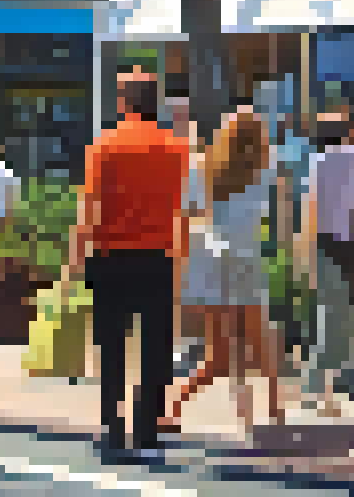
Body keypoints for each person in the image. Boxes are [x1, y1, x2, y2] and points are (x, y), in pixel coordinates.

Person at [70, 67, 191, 459]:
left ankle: (113, 426)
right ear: (157, 102)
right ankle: (147, 429)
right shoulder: (177, 149)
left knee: (111, 345)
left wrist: (75, 260)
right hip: (158, 256)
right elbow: (183, 210)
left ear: (123, 102)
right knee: (156, 346)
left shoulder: (104, 146)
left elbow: (89, 208)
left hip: (110, 255)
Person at [164, 107, 281, 429]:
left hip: (211, 263)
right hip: (246, 263)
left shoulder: (200, 168)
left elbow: (184, 220)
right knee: (260, 342)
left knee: (218, 354)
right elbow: (267, 215)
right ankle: (274, 411)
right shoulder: (264, 171)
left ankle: (174, 408)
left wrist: (180, 267)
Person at [298, 108, 354, 417]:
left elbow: (309, 209)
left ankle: (316, 386)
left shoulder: (316, 163)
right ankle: (325, 385)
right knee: (345, 318)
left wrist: (305, 254)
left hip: (321, 243)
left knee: (326, 315)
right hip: (348, 245)